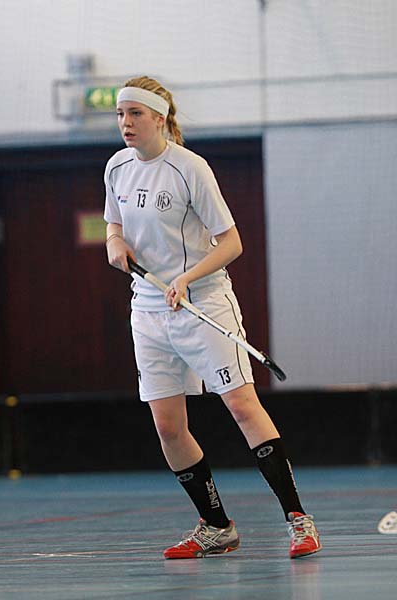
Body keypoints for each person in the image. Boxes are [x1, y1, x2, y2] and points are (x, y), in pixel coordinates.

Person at [104, 75, 321, 560]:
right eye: (120, 114)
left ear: (159, 118)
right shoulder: (116, 167)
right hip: (148, 309)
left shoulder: (189, 168)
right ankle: (217, 526)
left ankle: (299, 519)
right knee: (168, 426)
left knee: (242, 405)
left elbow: (231, 242)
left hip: (202, 303)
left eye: (135, 114)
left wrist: (187, 277)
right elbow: (113, 224)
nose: (125, 123)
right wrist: (114, 242)